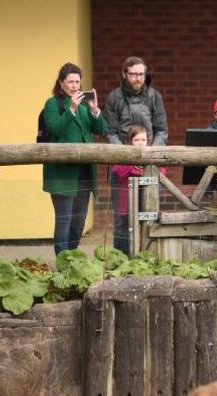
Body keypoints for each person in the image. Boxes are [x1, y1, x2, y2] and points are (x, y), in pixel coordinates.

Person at [42, 62, 106, 255]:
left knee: (78, 221)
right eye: (70, 82)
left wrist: (95, 111)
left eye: (77, 82)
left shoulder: (85, 106)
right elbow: (55, 128)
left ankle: (72, 258)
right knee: (64, 219)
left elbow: (100, 130)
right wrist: (71, 109)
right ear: (61, 83)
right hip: (63, 172)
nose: (75, 86)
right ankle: (63, 262)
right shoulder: (53, 103)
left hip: (84, 171)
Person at [109, 125, 166, 254]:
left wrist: (148, 169)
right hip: (126, 206)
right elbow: (119, 170)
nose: (140, 143)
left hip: (145, 203)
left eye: (143, 140)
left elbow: (161, 171)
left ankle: (143, 255)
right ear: (130, 142)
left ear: (148, 141)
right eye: (136, 140)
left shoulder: (152, 157)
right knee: (122, 229)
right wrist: (139, 169)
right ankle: (120, 256)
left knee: (145, 229)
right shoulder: (123, 157)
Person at [103, 56, 168, 146]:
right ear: (124, 74)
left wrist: (153, 152)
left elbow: (161, 131)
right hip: (122, 155)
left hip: (149, 154)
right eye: (134, 74)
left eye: (141, 74)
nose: (138, 79)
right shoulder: (114, 97)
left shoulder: (154, 96)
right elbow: (110, 132)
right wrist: (122, 153)